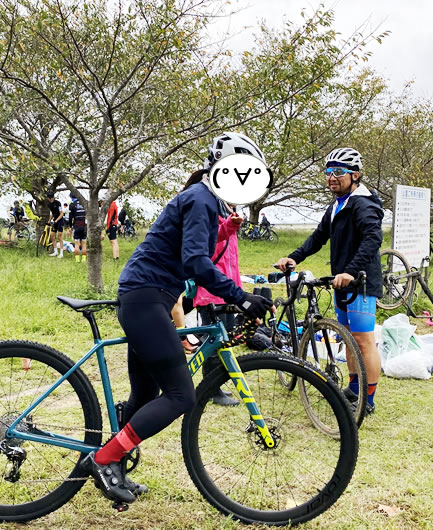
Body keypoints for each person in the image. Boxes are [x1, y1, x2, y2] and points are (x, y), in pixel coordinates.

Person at [81, 132, 271, 504]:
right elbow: (195, 263)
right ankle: (104, 459)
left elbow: (194, 253)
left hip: (146, 297)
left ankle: (113, 461)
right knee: (182, 395)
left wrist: (223, 232)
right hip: (146, 299)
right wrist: (240, 297)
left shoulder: (204, 200)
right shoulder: (201, 199)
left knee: (144, 394)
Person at [275, 147, 383, 416]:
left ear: (355, 175)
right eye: (328, 172)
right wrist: (294, 257)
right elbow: (319, 236)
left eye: (338, 172)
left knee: (363, 339)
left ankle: (367, 399)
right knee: (347, 339)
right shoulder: (338, 204)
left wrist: (351, 270)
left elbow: (373, 239)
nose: (331, 178)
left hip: (361, 281)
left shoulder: (363, 203)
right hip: (342, 282)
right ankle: (353, 388)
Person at [193, 201, 244, 407]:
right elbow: (208, 250)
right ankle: (211, 389)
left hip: (227, 291)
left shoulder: (228, 217)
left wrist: (238, 291)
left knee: (225, 338)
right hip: (211, 292)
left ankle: (217, 384)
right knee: (213, 343)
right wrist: (229, 226)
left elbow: (232, 261)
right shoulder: (210, 217)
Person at [68, 194, 87, 262]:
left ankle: (77, 259)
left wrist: (70, 227)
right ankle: (84, 259)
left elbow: (70, 218)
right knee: (83, 243)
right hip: (84, 225)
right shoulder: (84, 204)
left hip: (76, 225)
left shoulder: (72, 205)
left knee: (76, 243)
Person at [47, 192, 64, 257]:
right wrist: (49, 220)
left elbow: (61, 213)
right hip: (55, 221)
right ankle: (55, 251)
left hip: (60, 220)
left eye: (52, 197)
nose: (51, 199)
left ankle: (61, 253)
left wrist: (56, 220)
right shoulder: (49, 205)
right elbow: (52, 213)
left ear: (53, 197)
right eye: (49, 198)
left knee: (59, 236)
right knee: (52, 236)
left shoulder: (58, 203)